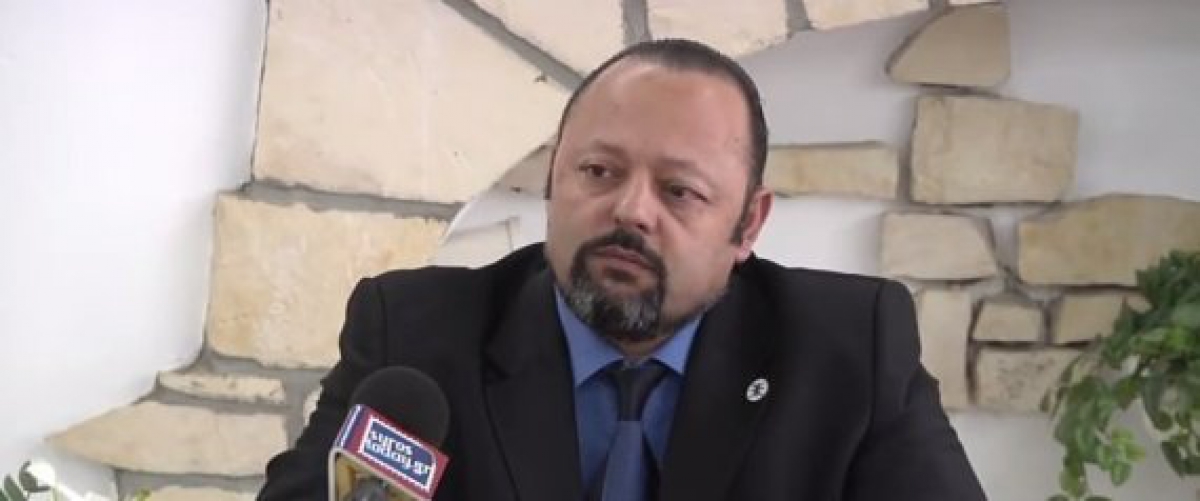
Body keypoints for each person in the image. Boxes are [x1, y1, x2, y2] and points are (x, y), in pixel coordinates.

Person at [259, 38, 986, 501]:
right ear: (554, 179)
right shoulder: (415, 337)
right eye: (599, 171)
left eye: (680, 191)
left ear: (748, 224)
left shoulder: (851, 350)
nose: (631, 210)